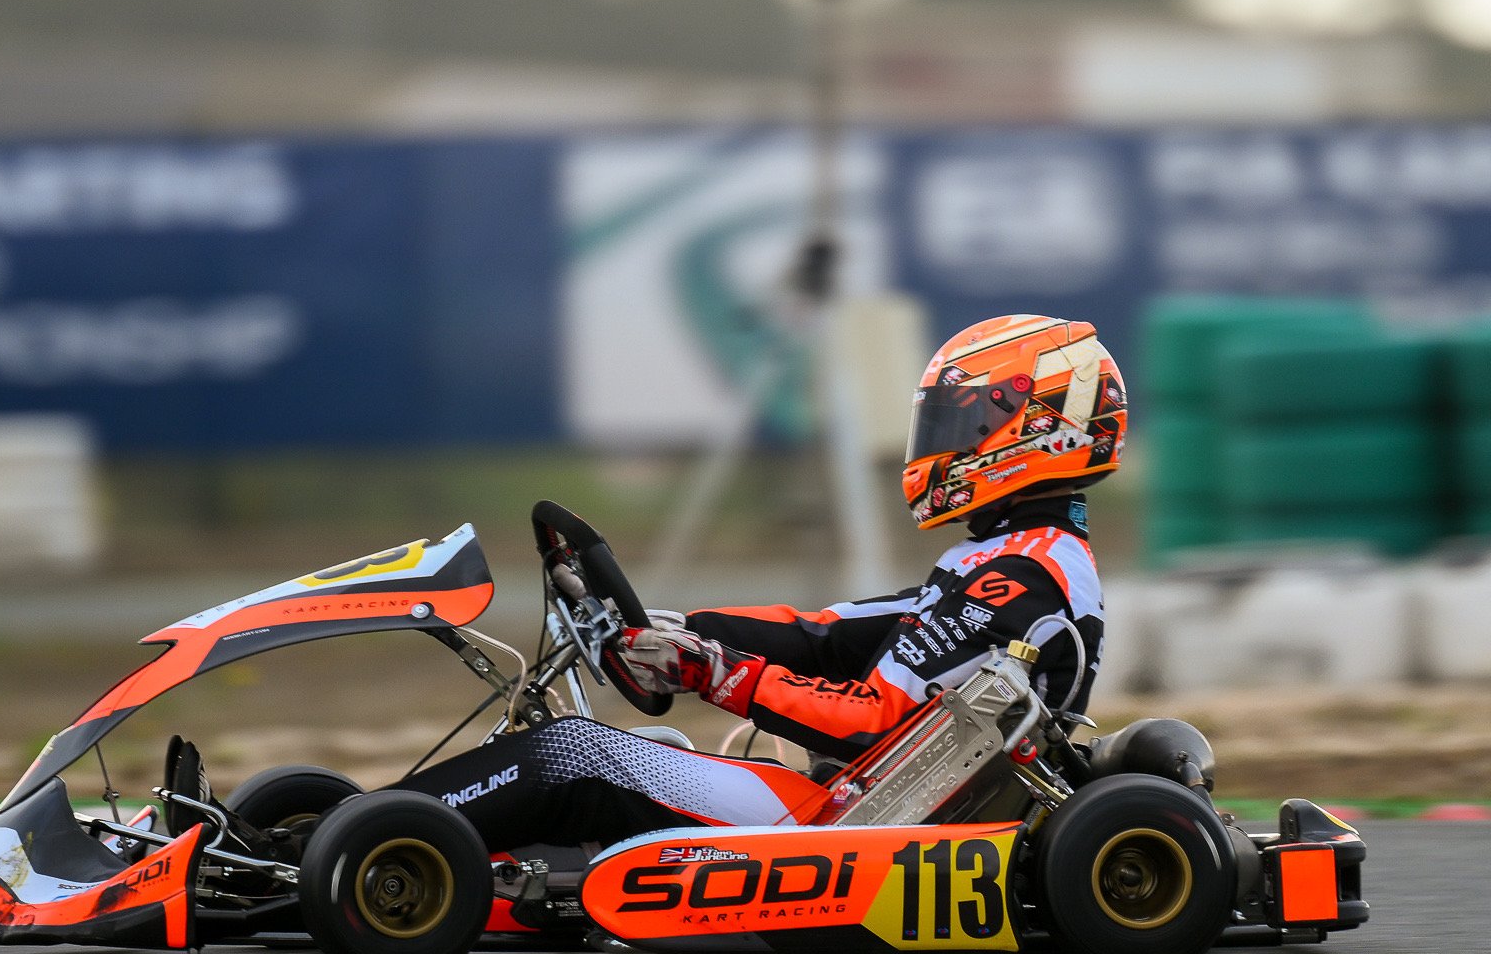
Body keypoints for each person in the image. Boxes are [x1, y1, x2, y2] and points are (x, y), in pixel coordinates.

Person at [397, 313, 1125, 853]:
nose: (945, 443)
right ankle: (377, 833)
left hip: (859, 822)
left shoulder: (1025, 577)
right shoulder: (1007, 558)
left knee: (577, 755)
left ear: (1037, 429)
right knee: (627, 745)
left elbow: (875, 718)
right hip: (857, 802)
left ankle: (382, 841)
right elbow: (830, 635)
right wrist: (685, 631)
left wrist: (720, 674)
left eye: (964, 423)